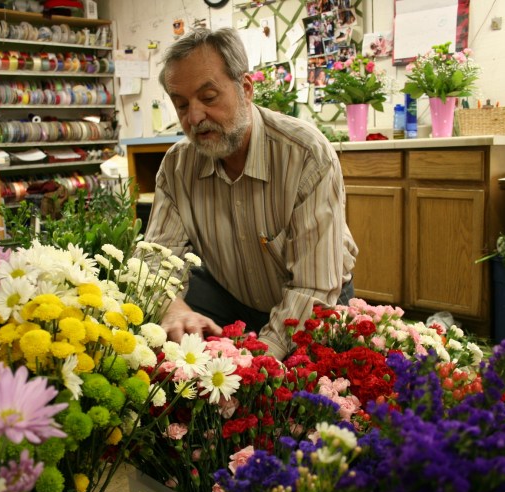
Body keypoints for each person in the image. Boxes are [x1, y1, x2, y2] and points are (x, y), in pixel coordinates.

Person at [143, 27, 358, 360]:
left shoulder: (306, 154)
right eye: (182, 105)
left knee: (308, 397)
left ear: (245, 89)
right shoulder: (176, 167)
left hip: (318, 298)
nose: (195, 117)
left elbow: (314, 287)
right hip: (232, 297)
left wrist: (259, 361)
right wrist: (171, 308)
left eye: (209, 97)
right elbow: (155, 260)